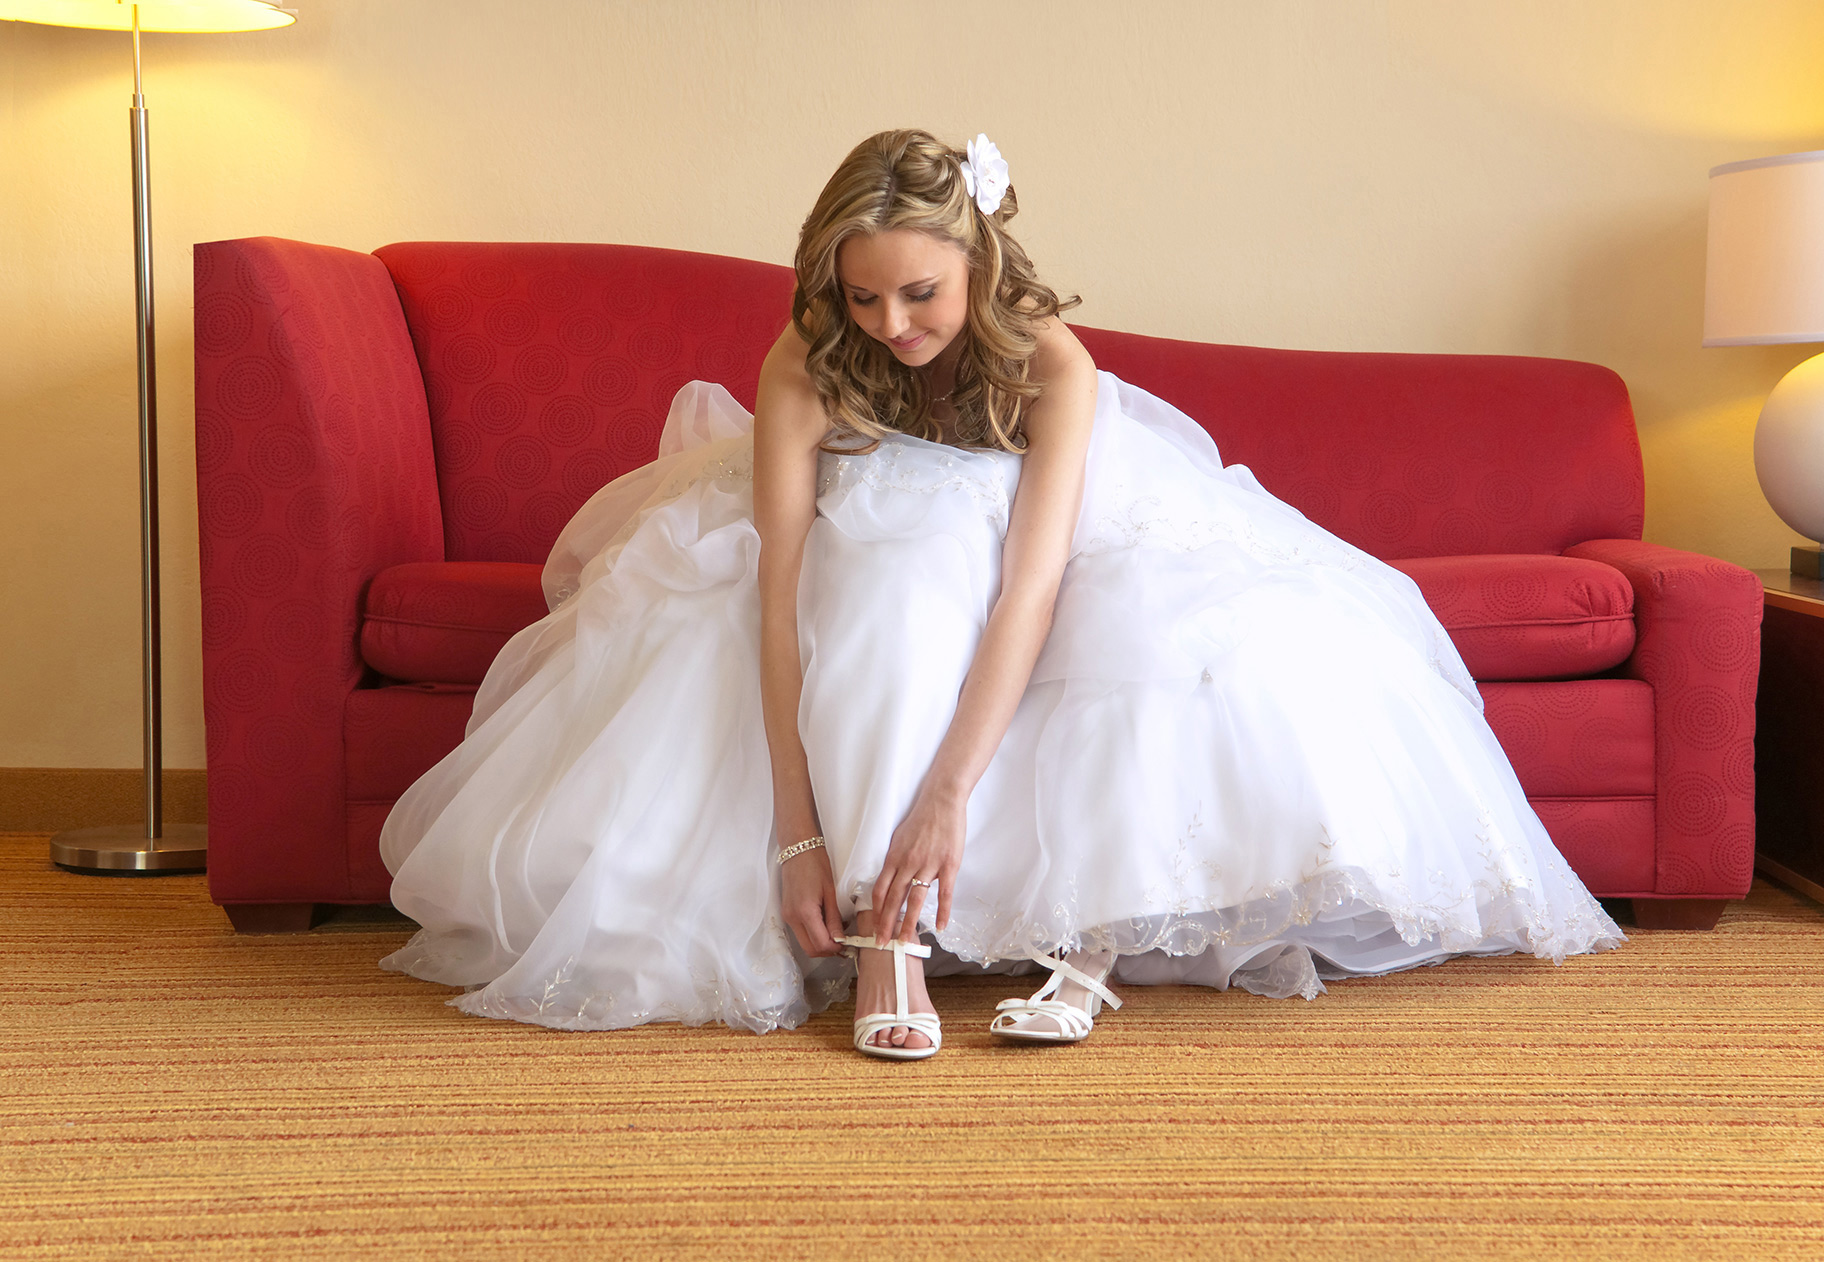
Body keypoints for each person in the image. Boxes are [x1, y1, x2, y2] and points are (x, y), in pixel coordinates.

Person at [379, 129, 1622, 1060]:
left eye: (919, 292)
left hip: (1054, 547)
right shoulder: (810, 365)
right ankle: (884, 932)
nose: (893, 323)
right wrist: (799, 830)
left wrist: (940, 805)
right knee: (878, 570)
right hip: (877, 557)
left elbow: (1030, 588)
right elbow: (777, 594)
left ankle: (1056, 927)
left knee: (1178, 630)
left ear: (975, 260)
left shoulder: (1050, 368)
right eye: (864, 296)